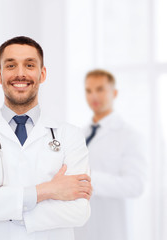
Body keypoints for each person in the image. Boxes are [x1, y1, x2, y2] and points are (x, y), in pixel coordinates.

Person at [0, 36, 92, 240]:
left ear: (42, 74)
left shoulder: (70, 135)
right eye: (11, 65)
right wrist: (48, 190)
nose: (20, 74)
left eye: (29, 65)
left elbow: (79, 212)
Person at [74, 69, 147, 240]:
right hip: (80, 228)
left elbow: (136, 185)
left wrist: (88, 179)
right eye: (88, 90)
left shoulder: (130, 136)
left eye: (100, 89)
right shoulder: (78, 134)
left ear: (114, 93)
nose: (94, 96)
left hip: (111, 229)